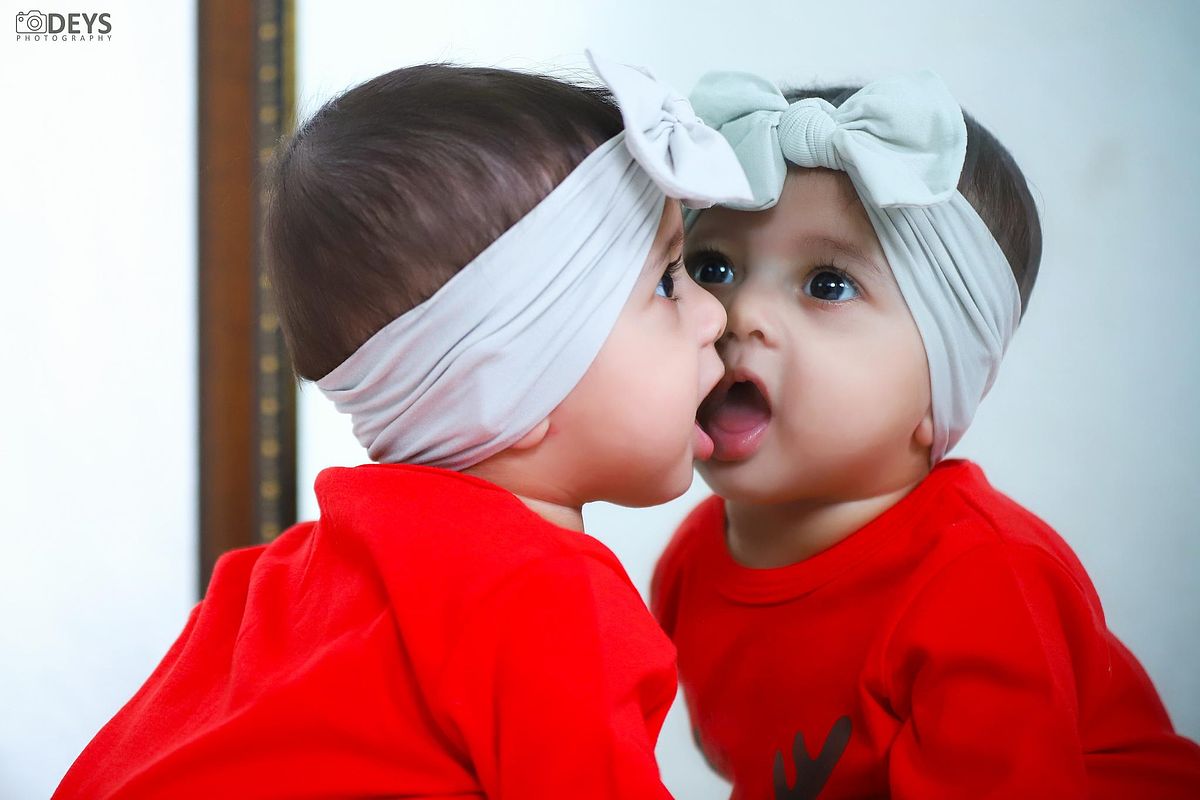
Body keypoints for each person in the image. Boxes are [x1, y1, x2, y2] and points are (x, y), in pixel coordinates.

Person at [54, 50, 752, 799]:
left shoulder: (280, 579)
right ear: (509, 383)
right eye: (666, 282)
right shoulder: (546, 597)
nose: (714, 316)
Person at [651, 68, 1200, 799]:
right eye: (712, 266)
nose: (740, 310)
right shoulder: (694, 562)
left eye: (828, 284)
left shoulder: (980, 579)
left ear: (942, 383)